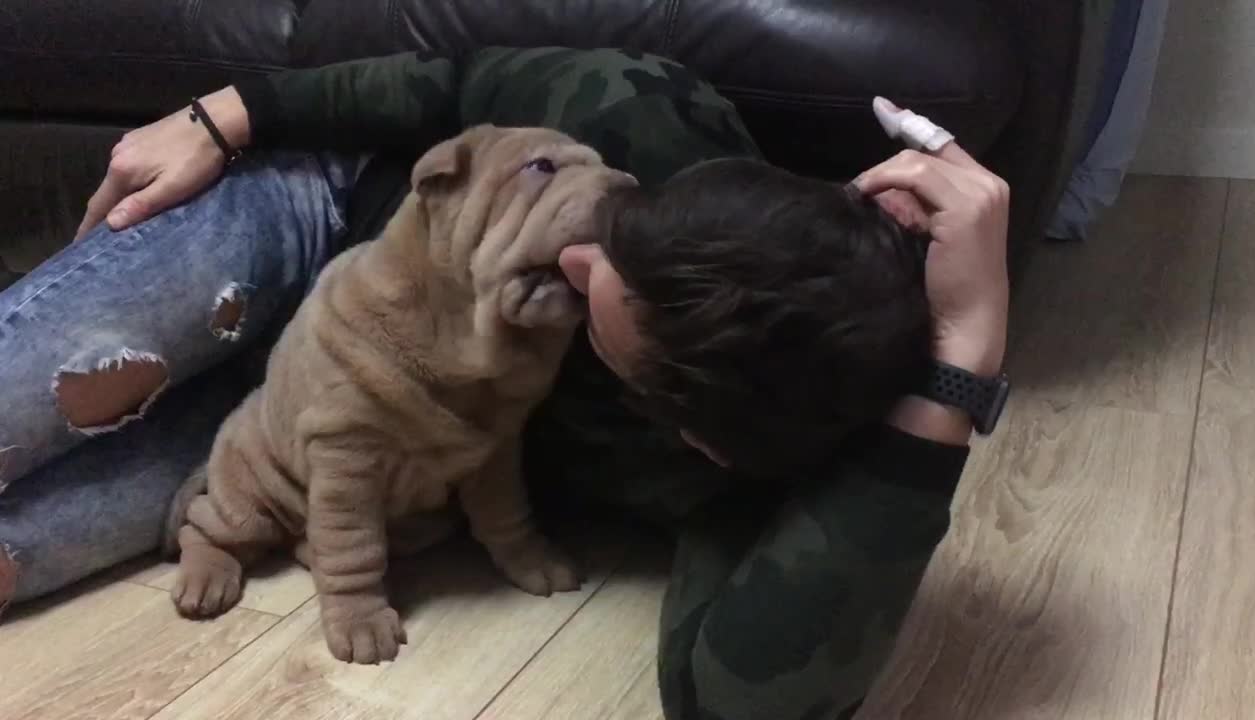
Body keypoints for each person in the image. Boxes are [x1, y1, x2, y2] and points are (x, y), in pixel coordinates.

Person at [0, 48, 1009, 720]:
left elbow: (734, 704)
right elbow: (462, 69)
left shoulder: (730, 472)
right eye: (610, 234)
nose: (580, 255)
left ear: (691, 434)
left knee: (25, 551)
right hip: (320, 217)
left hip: (297, 422)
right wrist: (224, 114)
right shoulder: (640, 129)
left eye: (594, 301)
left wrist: (958, 364)